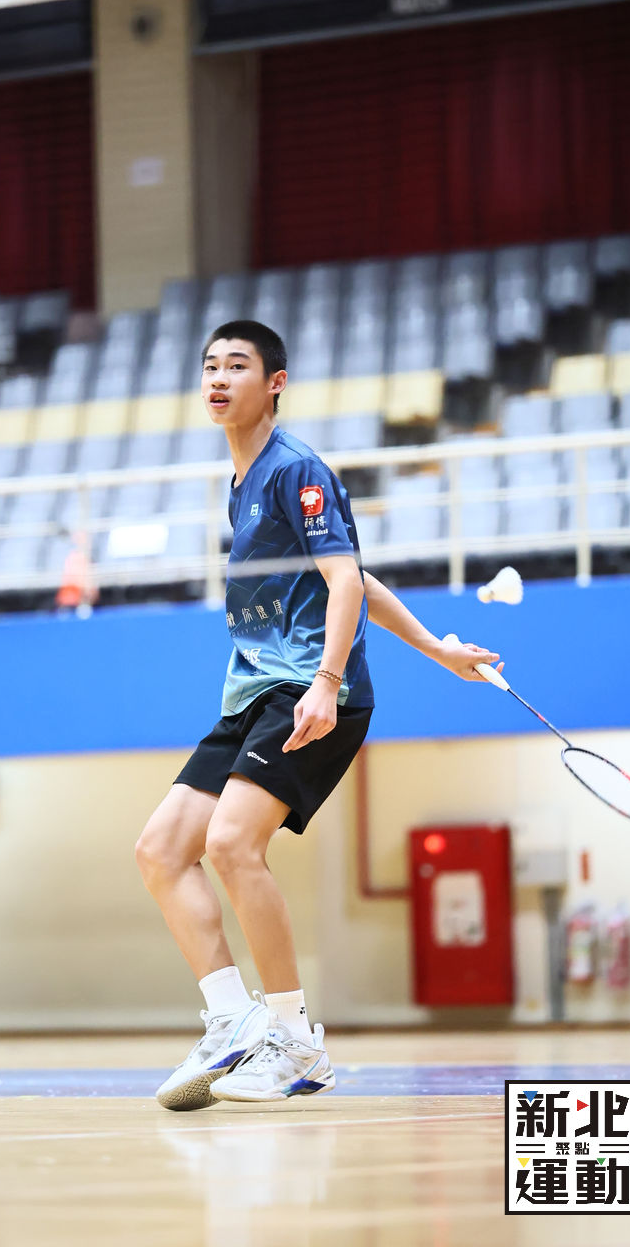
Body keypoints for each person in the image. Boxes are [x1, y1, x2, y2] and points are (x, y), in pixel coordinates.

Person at [134, 320, 503, 1110]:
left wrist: (328, 682)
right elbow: (357, 577)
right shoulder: (243, 481)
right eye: (209, 365)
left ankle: (297, 1044)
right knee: (160, 851)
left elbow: (341, 582)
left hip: (308, 689)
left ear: (275, 383)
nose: (217, 378)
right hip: (253, 692)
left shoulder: (295, 469)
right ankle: (231, 1021)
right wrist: (436, 648)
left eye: (237, 365)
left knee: (232, 844)